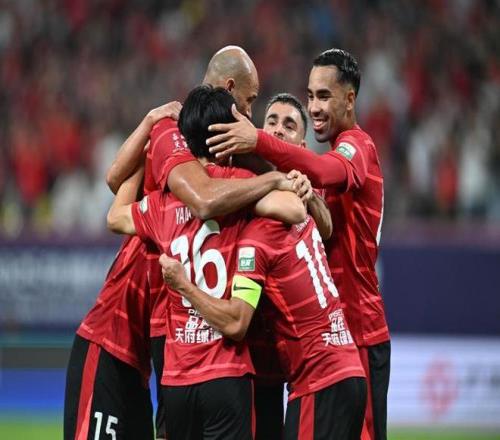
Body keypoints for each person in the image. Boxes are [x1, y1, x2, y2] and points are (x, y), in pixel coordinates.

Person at [65, 45, 306, 440]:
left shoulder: (194, 185)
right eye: (250, 101)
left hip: (159, 337)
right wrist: (275, 177)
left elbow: (116, 201)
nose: (250, 114)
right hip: (118, 330)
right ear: (229, 90)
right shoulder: (173, 138)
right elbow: (203, 199)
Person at [206, 48, 391, 440]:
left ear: (350, 99)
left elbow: (321, 182)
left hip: (355, 332)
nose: (315, 106)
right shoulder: (296, 183)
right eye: (311, 96)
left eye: (324, 96)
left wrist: (256, 139)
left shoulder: (356, 148)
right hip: (305, 347)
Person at [158, 202, 367, 440]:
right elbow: (326, 226)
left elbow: (237, 323)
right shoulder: (303, 219)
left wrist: (184, 286)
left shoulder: (256, 240)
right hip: (350, 369)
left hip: (318, 379)